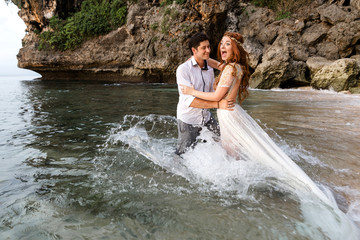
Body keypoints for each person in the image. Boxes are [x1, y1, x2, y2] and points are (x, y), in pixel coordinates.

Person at [180, 32, 332, 205]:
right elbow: (214, 64)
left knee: (232, 153)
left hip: (227, 113)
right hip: (228, 112)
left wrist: (191, 91)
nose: (221, 47)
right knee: (234, 150)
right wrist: (202, 61)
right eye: (221, 43)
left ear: (235, 48)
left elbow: (216, 96)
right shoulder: (234, 67)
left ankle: (239, 190)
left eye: (227, 44)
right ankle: (240, 183)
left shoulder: (230, 68)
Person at [175, 32, 234, 155]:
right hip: (188, 120)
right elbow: (190, 101)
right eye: (203, 48)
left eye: (208, 46)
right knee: (183, 155)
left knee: (223, 145)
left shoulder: (210, 69)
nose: (208, 50)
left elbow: (211, 92)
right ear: (194, 50)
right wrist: (218, 105)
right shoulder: (183, 69)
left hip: (207, 118)